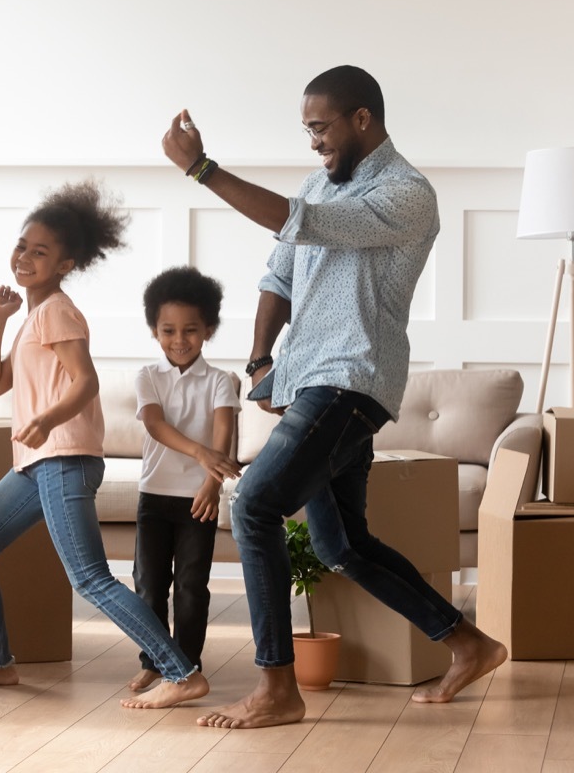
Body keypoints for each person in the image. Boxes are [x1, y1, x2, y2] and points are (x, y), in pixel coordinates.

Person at [160, 65, 507, 729]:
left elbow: (302, 223)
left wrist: (202, 169)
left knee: (257, 505)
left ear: (362, 120)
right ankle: (469, 644)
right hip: (310, 380)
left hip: (352, 380)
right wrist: (264, 360)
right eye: (307, 129)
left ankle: (276, 687)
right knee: (341, 544)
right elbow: (278, 275)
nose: (314, 142)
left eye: (320, 127)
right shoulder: (319, 183)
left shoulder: (407, 193)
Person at [0, 181, 211, 709]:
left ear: (65, 264)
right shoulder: (32, 318)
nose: (25, 257)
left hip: (62, 458)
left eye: (40, 252)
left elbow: (84, 382)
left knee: (89, 578)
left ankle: (182, 673)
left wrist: (46, 418)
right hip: (37, 464)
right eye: (22, 245)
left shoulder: (58, 311)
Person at [128, 266, 241, 693]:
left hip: (199, 498)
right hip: (154, 496)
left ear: (208, 329)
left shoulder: (219, 381)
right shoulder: (147, 377)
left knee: (192, 587)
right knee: (149, 586)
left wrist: (212, 485)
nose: (179, 340)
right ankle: (154, 664)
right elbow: (155, 426)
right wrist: (201, 454)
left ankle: (187, 667)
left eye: (190, 330)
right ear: (154, 330)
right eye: (168, 330)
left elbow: (223, 435)